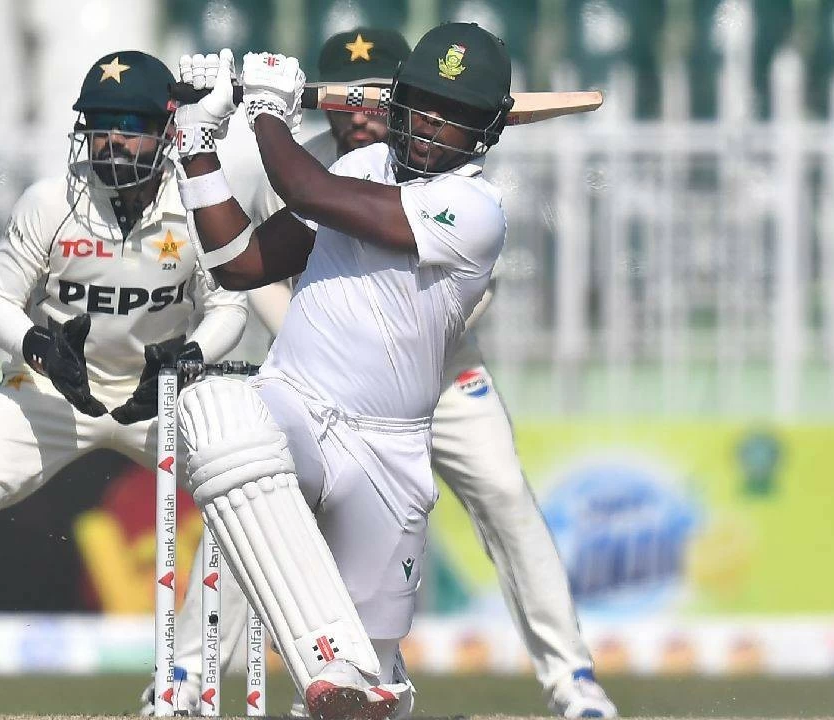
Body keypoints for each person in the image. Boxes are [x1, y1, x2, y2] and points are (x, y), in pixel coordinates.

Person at [150, 28, 617, 720]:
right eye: (421, 105)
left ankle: (373, 672)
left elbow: (310, 189)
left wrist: (267, 114)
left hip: (390, 452)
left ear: (487, 130)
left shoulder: (477, 212)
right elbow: (240, 264)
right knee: (221, 413)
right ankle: (293, 658)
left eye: (451, 116)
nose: (428, 127)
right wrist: (195, 143)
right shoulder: (366, 166)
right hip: (300, 407)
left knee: (376, 693)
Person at [0, 50, 249, 716]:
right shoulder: (49, 201)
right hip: (54, 390)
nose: (112, 138)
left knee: (242, 499)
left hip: (162, 393)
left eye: (130, 123)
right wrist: (36, 343)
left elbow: (230, 307)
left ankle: (182, 685)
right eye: (99, 122)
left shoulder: (197, 200)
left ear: (167, 129)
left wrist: (188, 355)